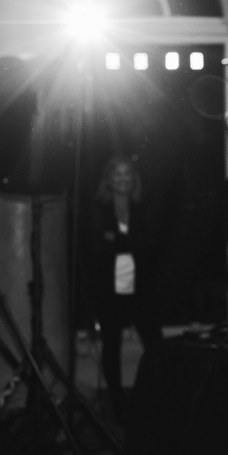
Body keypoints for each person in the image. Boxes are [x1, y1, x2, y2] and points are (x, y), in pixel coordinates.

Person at [87, 155, 161, 423]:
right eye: (117, 175)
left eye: (127, 174)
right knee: (111, 346)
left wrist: (116, 239)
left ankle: (157, 398)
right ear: (108, 179)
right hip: (109, 289)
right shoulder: (98, 206)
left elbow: (150, 243)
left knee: (155, 345)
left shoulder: (143, 205)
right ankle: (117, 404)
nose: (122, 179)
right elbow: (97, 245)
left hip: (140, 287)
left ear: (134, 179)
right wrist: (131, 241)